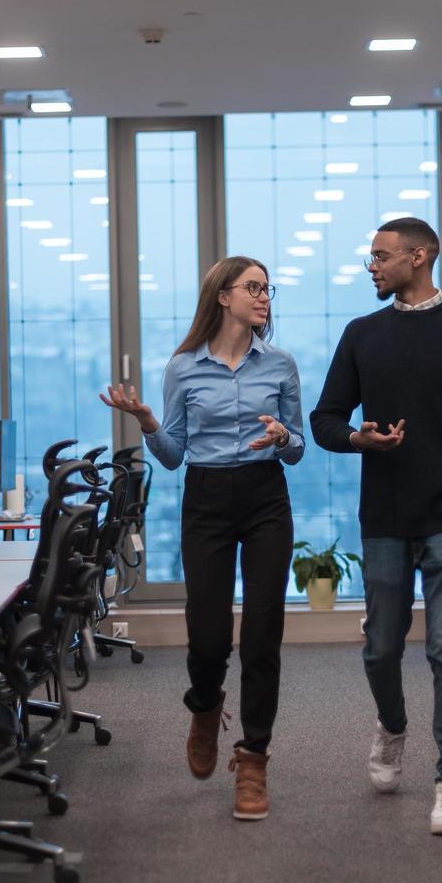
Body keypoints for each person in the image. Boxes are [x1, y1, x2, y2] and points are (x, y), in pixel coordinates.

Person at [309, 216, 442, 836]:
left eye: (380, 256)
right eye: (370, 257)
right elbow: (325, 419)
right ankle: (393, 726)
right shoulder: (362, 335)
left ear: (421, 255)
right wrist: (361, 438)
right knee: (381, 647)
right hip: (384, 514)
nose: (371, 266)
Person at [99, 255, 303, 822]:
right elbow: (171, 457)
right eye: (254, 288)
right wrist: (145, 421)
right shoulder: (184, 367)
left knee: (263, 633)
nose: (265, 298)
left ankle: (254, 758)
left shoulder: (281, 365)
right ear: (223, 296)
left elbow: (299, 447)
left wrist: (284, 434)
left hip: (266, 498)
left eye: (268, 288)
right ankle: (206, 707)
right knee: (208, 635)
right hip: (207, 500)